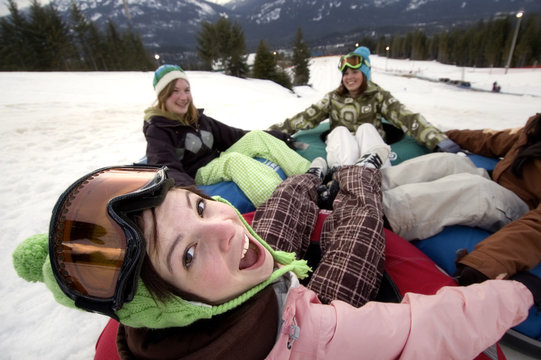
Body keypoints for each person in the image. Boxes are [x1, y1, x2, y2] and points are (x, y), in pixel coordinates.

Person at [13, 147, 538, 359]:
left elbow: (217, 210)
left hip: (247, 291)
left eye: (197, 206)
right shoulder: (314, 335)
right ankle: (360, 175)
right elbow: (415, 331)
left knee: (278, 211)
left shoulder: (166, 331)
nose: (222, 224)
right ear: (170, 306)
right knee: (356, 232)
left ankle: (308, 179)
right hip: (302, 318)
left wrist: (201, 232)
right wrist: (514, 294)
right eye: (187, 255)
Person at [381, 113, 541, 285]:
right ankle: (365, 185)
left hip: (523, 211)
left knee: (477, 189)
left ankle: (379, 216)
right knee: (450, 161)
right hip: (499, 182)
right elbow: (489, 140)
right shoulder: (534, 129)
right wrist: (441, 136)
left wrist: (485, 263)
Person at [144, 64, 310, 206]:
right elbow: (164, 166)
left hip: (218, 159)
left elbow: (234, 135)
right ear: (163, 95)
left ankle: (310, 177)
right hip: (197, 173)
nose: (183, 97)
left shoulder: (197, 119)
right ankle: (289, 203)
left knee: (256, 136)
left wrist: (278, 136)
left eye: (187, 90)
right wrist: (190, 192)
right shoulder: (159, 129)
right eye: (175, 91)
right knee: (234, 160)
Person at [268, 46, 462, 165]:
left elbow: (405, 117)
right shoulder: (333, 98)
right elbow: (304, 118)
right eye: (345, 73)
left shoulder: (377, 96)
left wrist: (437, 141)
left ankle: (372, 172)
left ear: (365, 74)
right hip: (341, 147)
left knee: (367, 128)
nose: (349, 77)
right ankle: (343, 174)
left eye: (354, 72)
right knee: (341, 132)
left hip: (371, 146)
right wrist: (271, 134)